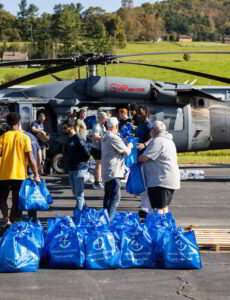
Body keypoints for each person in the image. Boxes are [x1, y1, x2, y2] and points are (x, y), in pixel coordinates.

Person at [0, 113, 40, 229]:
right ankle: (11, 222)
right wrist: (36, 174)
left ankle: (6, 219)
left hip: (4, 174)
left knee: (2, 199)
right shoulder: (24, 137)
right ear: (18, 123)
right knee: (16, 201)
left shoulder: (3, 137)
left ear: (7, 123)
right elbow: (31, 158)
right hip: (19, 175)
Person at [138, 121, 180, 214]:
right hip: (169, 179)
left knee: (158, 208)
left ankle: (158, 227)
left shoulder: (158, 141)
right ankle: (164, 226)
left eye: (151, 130)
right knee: (164, 207)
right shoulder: (169, 141)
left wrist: (137, 158)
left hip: (160, 181)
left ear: (154, 130)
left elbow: (144, 158)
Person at [101, 117, 133, 221]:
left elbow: (114, 144)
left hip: (107, 171)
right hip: (114, 172)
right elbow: (126, 152)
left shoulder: (105, 136)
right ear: (115, 126)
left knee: (108, 197)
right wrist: (130, 145)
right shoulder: (113, 137)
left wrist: (122, 140)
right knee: (115, 198)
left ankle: (104, 219)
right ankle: (108, 221)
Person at [63, 119, 91, 210]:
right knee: (75, 192)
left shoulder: (78, 138)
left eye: (65, 128)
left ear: (71, 128)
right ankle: (86, 210)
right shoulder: (68, 138)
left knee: (79, 194)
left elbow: (87, 153)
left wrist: (81, 162)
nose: (63, 130)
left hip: (79, 169)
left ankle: (77, 217)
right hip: (72, 168)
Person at [135, 105, 153, 217]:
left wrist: (144, 144)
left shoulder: (149, 125)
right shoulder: (140, 125)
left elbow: (153, 138)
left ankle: (147, 209)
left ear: (146, 113)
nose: (138, 115)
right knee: (142, 185)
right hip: (139, 158)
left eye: (140, 113)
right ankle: (144, 207)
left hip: (146, 158)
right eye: (137, 113)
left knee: (146, 185)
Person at [89, 111, 107, 190]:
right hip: (96, 148)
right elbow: (95, 136)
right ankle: (96, 182)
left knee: (100, 165)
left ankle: (99, 180)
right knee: (98, 165)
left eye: (106, 119)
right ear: (100, 118)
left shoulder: (103, 127)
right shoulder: (96, 126)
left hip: (101, 148)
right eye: (104, 119)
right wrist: (105, 138)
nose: (105, 120)